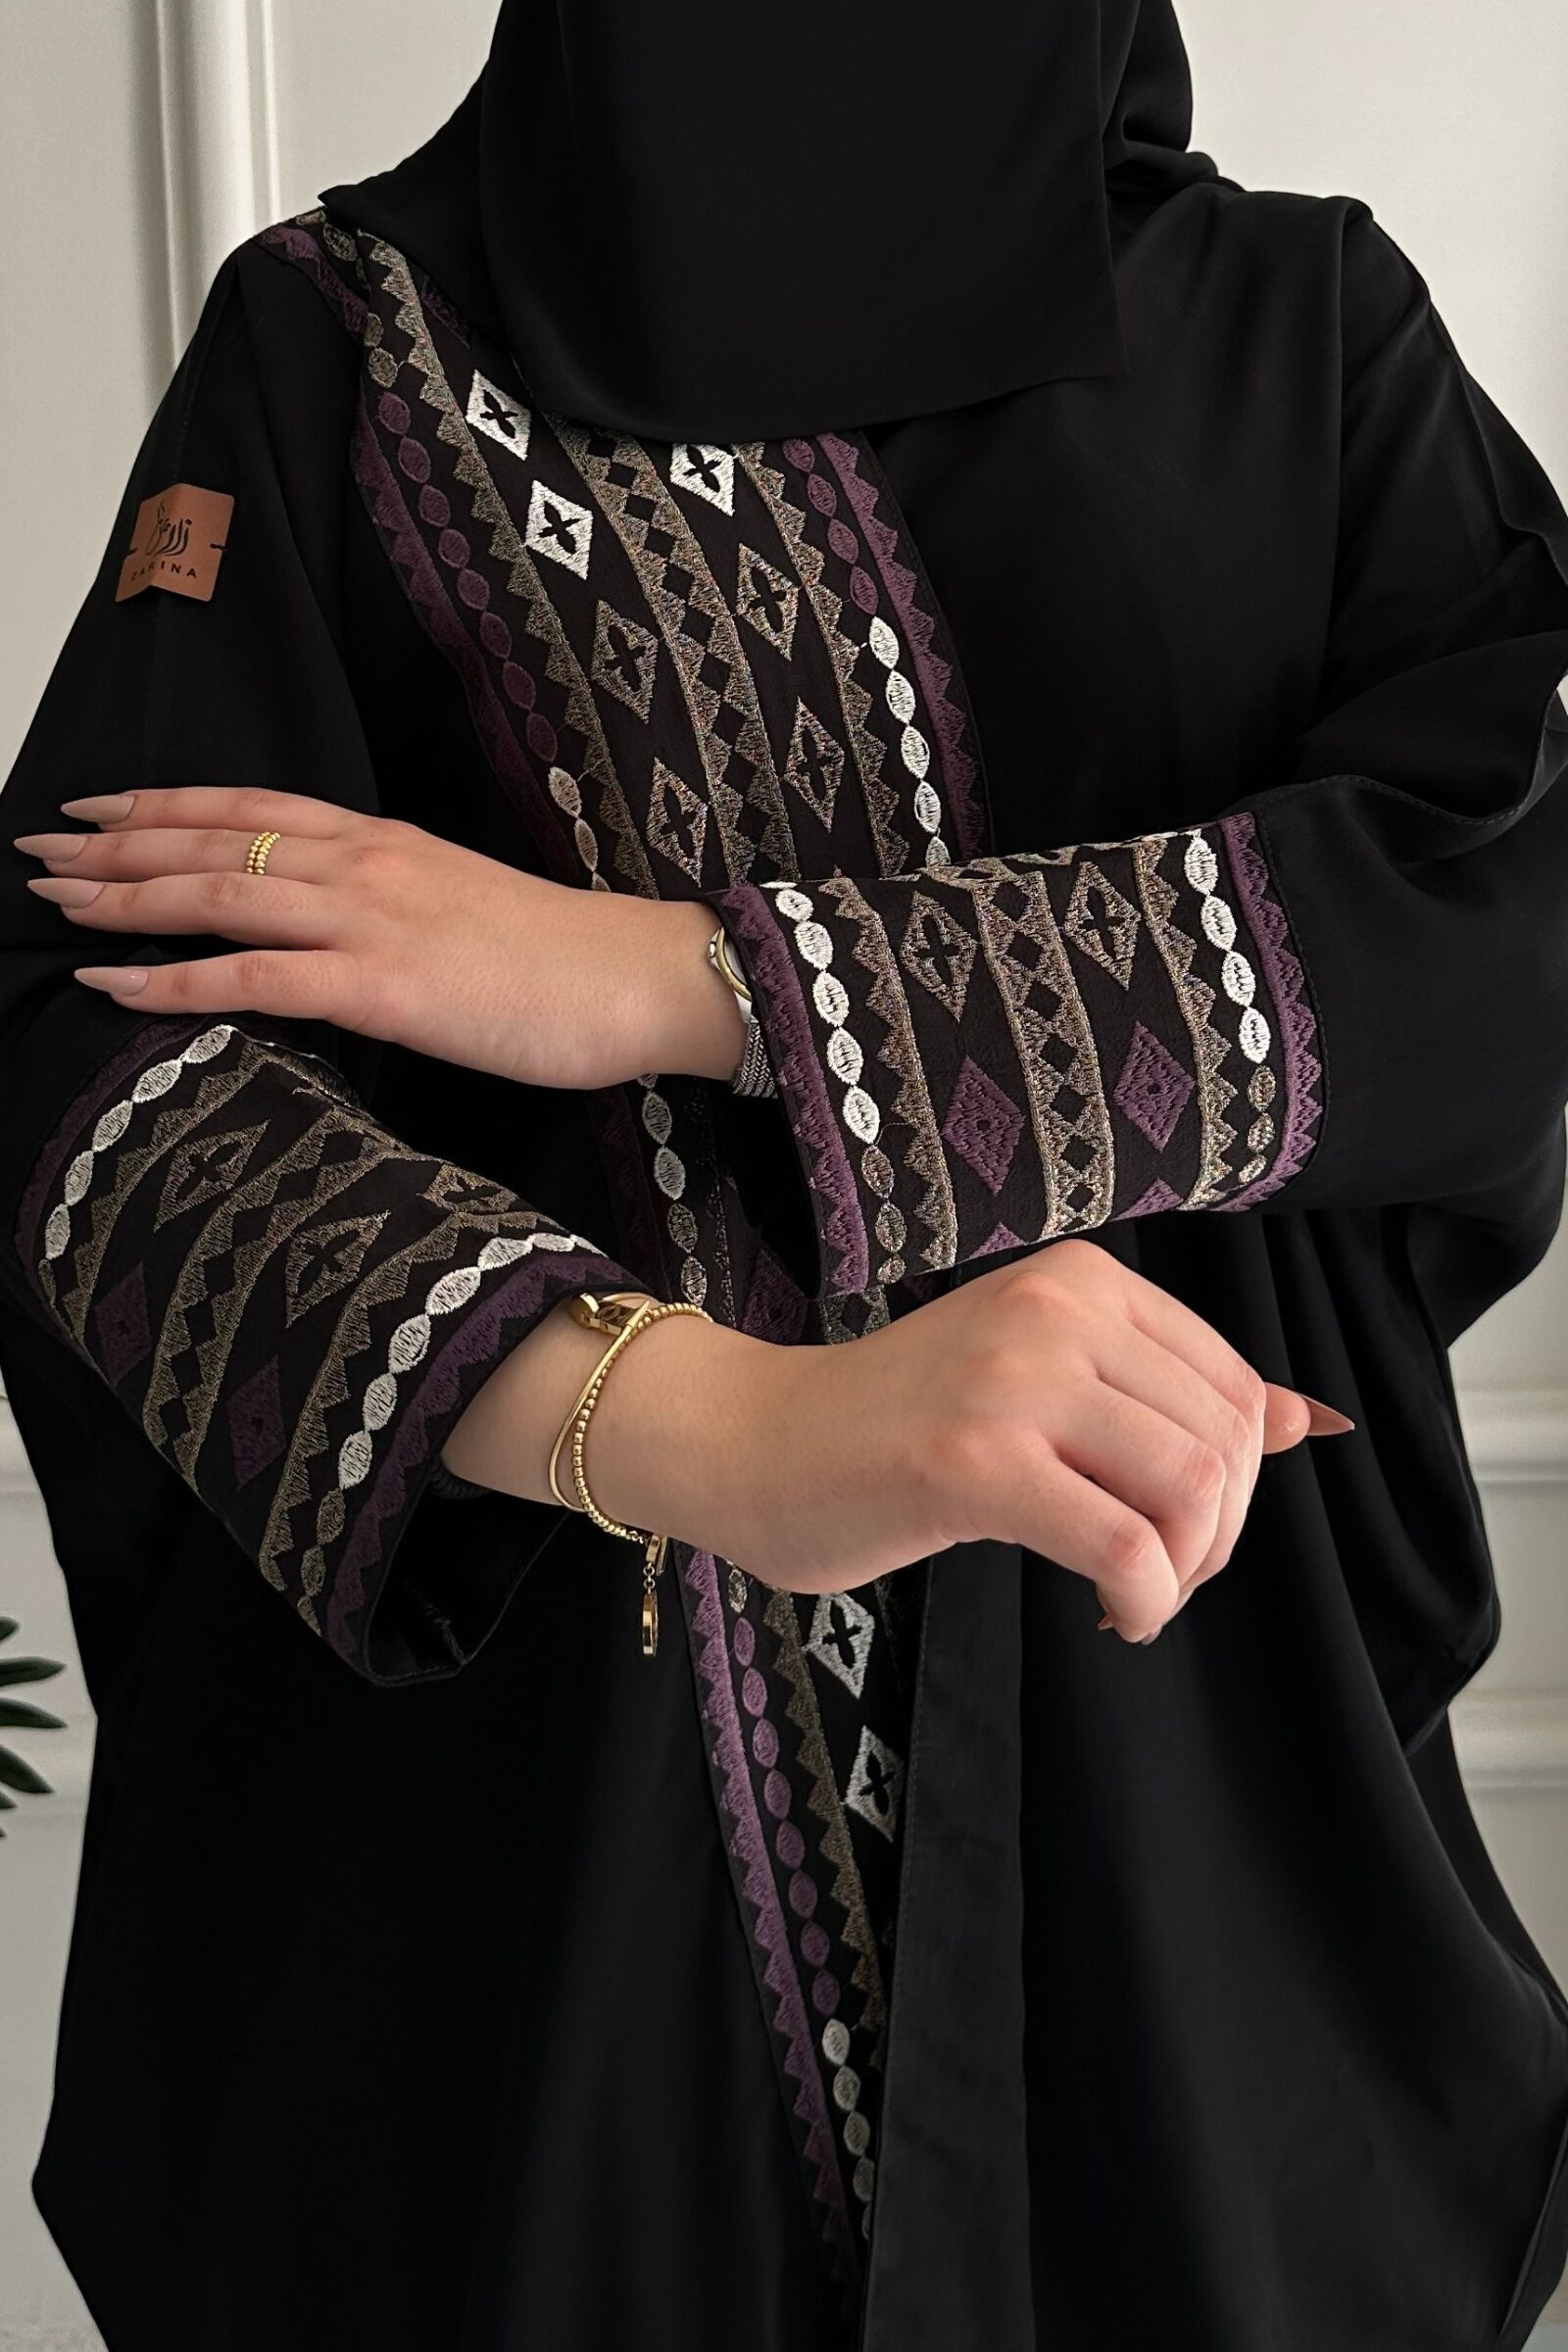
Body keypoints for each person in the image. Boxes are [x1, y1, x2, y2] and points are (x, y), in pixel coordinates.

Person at [4, 2, 1568, 2345]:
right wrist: (708, 1424)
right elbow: (85, 1066)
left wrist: (680, 982)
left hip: (1207, 1890)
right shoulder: (346, 351)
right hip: (543, 1960)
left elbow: (1503, 920)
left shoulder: (1291, 327)